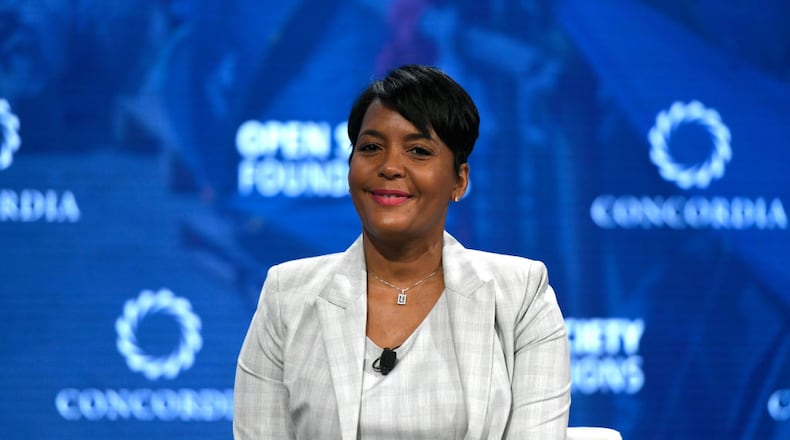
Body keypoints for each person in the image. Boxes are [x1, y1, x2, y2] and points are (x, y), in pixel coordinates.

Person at [233, 64, 571, 439]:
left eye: (418, 150)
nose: (390, 166)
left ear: (459, 181)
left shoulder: (521, 296)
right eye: (371, 148)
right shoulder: (287, 295)